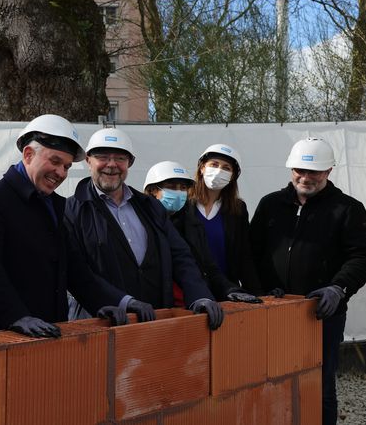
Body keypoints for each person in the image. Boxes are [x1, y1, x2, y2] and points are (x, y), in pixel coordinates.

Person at [250, 137, 366, 425]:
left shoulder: (347, 209)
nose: (306, 178)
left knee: (320, 387)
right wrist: (260, 293)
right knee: (271, 379)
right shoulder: (270, 205)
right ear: (291, 169)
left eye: (314, 172)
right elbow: (251, 252)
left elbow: (362, 256)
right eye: (299, 171)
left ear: (329, 171)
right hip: (273, 311)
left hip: (321, 314)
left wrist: (338, 288)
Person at [0, 114, 127, 337]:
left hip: (51, 332)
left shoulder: (54, 204)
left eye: (66, 166)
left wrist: (105, 302)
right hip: (4, 337)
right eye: (55, 161)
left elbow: (73, 268)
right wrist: (16, 316)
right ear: (28, 154)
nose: (61, 173)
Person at [65, 128, 224, 330]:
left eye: (120, 158)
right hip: (101, 324)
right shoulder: (72, 210)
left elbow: (180, 256)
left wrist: (200, 296)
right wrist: (122, 301)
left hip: (153, 322)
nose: (111, 164)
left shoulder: (149, 207)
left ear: (129, 163)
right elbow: (78, 272)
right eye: (102, 156)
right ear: (88, 161)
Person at [143, 161, 261, 304]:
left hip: (180, 303)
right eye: (172, 187)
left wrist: (230, 290)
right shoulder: (137, 221)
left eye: (183, 188)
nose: (179, 193)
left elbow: (205, 265)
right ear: (153, 190)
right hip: (143, 303)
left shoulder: (190, 224)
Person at [188, 144, 263, 294]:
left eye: (226, 168)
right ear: (202, 168)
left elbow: (244, 255)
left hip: (227, 292)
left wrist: (258, 294)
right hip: (190, 291)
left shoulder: (237, 209)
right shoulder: (184, 205)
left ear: (233, 176)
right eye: (214, 164)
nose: (219, 171)